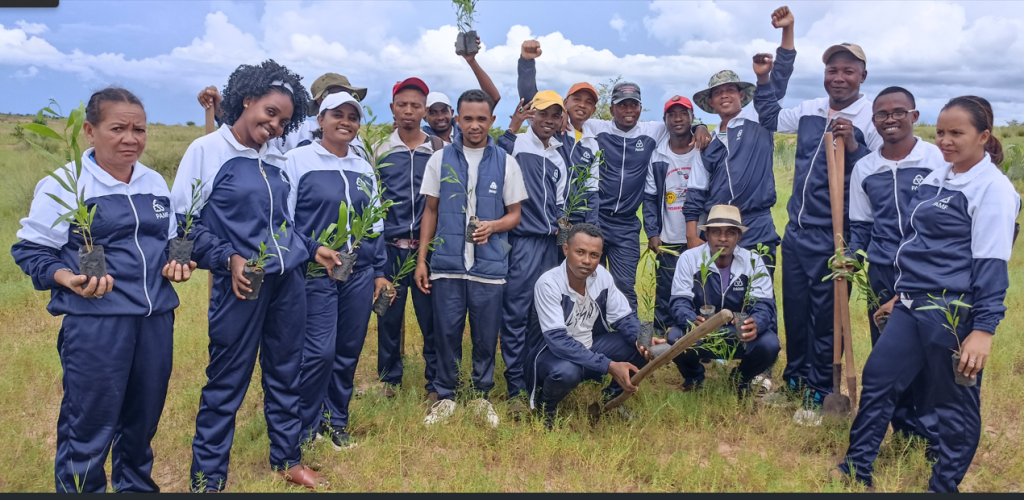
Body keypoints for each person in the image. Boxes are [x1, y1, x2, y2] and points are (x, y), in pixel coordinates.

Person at [12, 87, 194, 493]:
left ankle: (136, 488)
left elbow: (167, 240)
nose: (131, 139)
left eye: (139, 130)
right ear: (90, 131)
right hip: (97, 323)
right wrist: (66, 277)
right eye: (118, 128)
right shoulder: (66, 184)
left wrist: (177, 262)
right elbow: (31, 249)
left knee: (142, 421)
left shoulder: (153, 181)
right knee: (90, 425)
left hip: (155, 320)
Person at [835, 96, 1019, 493]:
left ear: (983, 137)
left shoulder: (992, 189)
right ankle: (856, 469)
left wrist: (983, 330)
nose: (946, 141)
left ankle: (943, 487)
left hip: (952, 312)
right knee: (880, 378)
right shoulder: (939, 177)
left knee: (953, 404)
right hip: (910, 305)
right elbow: (918, 246)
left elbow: (991, 264)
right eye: (940, 132)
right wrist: (900, 294)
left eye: (957, 133)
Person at [173, 60, 340, 491]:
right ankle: (208, 478)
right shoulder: (207, 151)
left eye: (284, 121)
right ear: (246, 100)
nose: (275, 126)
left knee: (286, 372)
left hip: (287, 283)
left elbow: (282, 223)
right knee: (227, 380)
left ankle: (287, 460)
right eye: (270, 113)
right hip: (242, 284)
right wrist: (227, 257)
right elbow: (184, 224)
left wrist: (310, 248)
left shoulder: (277, 159)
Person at [755, 40, 882, 412]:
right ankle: (795, 382)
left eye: (848, 71)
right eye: (832, 70)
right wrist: (763, 80)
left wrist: (855, 146)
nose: (839, 77)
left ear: (862, 76)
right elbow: (770, 118)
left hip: (835, 235)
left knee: (826, 318)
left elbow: (880, 172)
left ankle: (820, 390)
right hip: (797, 232)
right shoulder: (810, 109)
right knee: (796, 312)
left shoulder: (872, 117)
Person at [415, 89, 527, 427]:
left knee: (485, 336)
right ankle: (445, 395)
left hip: (488, 268)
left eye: (481, 119)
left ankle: (481, 395)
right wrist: (422, 260)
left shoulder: (506, 162)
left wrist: (493, 226)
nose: (474, 125)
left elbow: (515, 214)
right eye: (468, 119)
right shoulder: (439, 160)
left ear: (492, 120)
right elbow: (430, 211)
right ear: (457, 120)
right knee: (446, 333)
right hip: (447, 267)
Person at [286, 92, 388, 451]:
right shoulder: (297, 161)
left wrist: (379, 271)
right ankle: (303, 425)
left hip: (357, 272)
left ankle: (335, 421)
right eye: (337, 115)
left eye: (352, 117)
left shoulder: (362, 166)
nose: (345, 122)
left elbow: (375, 224)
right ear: (320, 119)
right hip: (315, 272)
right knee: (318, 352)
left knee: (347, 349)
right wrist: (313, 250)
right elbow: (284, 220)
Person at [847, 86, 944, 448]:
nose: (890, 119)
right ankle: (903, 429)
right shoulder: (865, 168)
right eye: (882, 114)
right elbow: (861, 225)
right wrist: (851, 257)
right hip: (883, 273)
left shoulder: (935, 160)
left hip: (929, 272)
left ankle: (930, 431)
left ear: (914, 116)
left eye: (898, 112)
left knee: (930, 350)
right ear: (873, 121)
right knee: (887, 352)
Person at [686, 6, 796, 271]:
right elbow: (696, 192)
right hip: (718, 229)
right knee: (718, 290)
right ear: (711, 103)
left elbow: (779, 80)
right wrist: (691, 235)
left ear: (741, 96)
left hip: (756, 224)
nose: (724, 95)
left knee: (759, 290)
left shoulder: (758, 118)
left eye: (730, 90)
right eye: (718, 92)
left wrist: (787, 31)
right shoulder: (706, 143)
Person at [527, 223, 649, 428]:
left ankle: (610, 401)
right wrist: (608, 365)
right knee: (567, 372)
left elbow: (624, 318)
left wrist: (643, 339)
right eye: (580, 252)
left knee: (640, 348)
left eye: (594, 255)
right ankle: (545, 408)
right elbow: (557, 341)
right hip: (551, 354)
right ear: (566, 249)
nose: (587, 261)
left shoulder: (601, 276)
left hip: (590, 346)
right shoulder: (548, 283)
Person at [495, 90, 571, 411]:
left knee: (544, 314)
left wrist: (565, 240)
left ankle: (533, 378)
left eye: (555, 115)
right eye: (542, 114)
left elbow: (561, 205)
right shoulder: (516, 145)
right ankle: (515, 386)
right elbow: (492, 162)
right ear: (531, 115)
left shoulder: (559, 155)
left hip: (550, 246)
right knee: (515, 313)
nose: (548, 121)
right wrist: (511, 129)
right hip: (521, 242)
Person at [375, 78, 445, 401]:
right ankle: (389, 381)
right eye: (402, 104)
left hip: (427, 251)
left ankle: (435, 382)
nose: (408, 110)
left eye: (415, 105)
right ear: (392, 108)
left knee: (432, 318)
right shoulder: (380, 150)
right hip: (390, 249)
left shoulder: (439, 150)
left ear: (425, 111)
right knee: (388, 317)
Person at [667, 205, 780, 395]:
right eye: (716, 232)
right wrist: (691, 320)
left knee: (769, 343)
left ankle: (741, 379)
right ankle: (694, 378)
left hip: (738, 333)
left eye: (730, 233)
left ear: (739, 237)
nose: (722, 239)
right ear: (707, 235)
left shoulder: (753, 262)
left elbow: (764, 305)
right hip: (700, 332)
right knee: (675, 338)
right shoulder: (689, 259)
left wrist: (757, 323)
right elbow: (679, 301)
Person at [643, 95, 706, 335]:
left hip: (700, 237)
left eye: (683, 114)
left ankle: (701, 339)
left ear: (692, 118)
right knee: (666, 289)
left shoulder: (703, 150)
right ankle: (663, 337)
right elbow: (650, 198)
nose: (678, 119)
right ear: (665, 119)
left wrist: (702, 128)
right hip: (669, 238)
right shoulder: (658, 155)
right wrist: (653, 232)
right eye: (672, 114)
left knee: (701, 289)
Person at [198, 72, 371, 159]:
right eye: (340, 94)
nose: (345, 100)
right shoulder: (297, 131)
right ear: (321, 100)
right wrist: (219, 111)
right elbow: (249, 136)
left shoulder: (355, 139)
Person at [422, 36, 502, 144]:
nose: (440, 117)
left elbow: (493, 98)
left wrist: (471, 61)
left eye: (444, 111)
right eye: (433, 113)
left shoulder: (466, 132)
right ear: (424, 117)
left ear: (452, 113)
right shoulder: (422, 142)